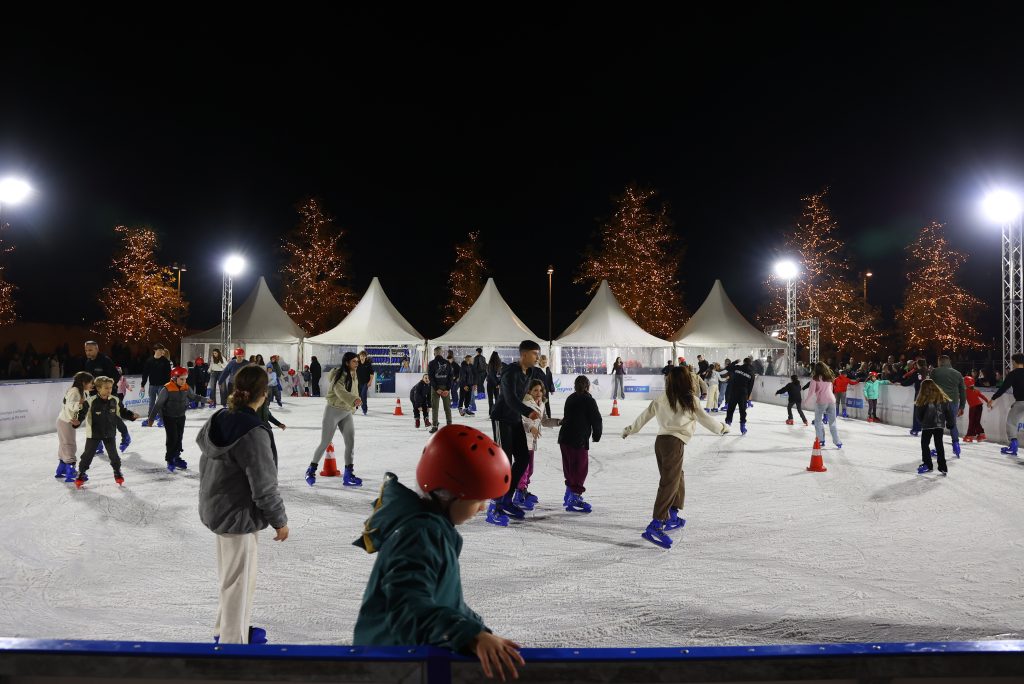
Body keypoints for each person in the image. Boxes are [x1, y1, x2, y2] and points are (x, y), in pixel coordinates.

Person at [352, 425, 524, 681]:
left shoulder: (430, 528)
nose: (481, 508)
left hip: (407, 657)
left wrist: (476, 631)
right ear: (450, 495)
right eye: (478, 500)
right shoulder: (420, 534)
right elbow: (408, 604)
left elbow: (443, 601)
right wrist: (469, 634)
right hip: (393, 664)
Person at [197, 364, 288, 645]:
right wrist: (279, 520)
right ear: (264, 394)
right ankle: (231, 643)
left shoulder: (220, 417)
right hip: (237, 514)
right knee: (238, 581)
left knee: (232, 576)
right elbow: (264, 484)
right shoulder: (252, 431)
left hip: (217, 507)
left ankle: (224, 629)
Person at [622, 366, 729, 549]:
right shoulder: (690, 400)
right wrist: (722, 427)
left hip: (661, 442)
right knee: (669, 482)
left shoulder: (662, 398)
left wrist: (630, 429)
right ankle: (656, 523)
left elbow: (644, 416)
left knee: (677, 477)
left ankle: (672, 514)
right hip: (673, 444)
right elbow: (706, 420)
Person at [489, 340, 545, 524]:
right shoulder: (510, 372)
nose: (538, 357)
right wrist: (528, 411)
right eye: (535, 353)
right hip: (502, 418)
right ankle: (494, 507)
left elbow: (522, 397)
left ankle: (507, 499)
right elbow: (510, 398)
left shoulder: (529, 372)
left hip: (514, 419)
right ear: (524, 354)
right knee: (504, 462)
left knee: (522, 458)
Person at [305, 352, 362, 487]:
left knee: (350, 443)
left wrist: (353, 405)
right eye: (354, 361)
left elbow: (354, 391)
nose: (357, 363)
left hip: (346, 412)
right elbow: (339, 390)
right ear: (347, 362)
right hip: (333, 411)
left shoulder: (354, 373)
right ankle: (311, 471)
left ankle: (348, 475)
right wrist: (354, 400)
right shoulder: (339, 374)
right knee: (325, 443)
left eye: (357, 361)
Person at [73, 376, 139, 488]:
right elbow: (81, 414)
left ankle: (117, 472)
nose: (109, 390)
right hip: (94, 434)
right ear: (98, 388)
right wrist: (77, 422)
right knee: (87, 456)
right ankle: (81, 473)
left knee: (114, 456)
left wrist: (131, 415)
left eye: (110, 388)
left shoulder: (115, 400)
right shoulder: (90, 401)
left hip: (109, 433)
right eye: (106, 388)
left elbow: (122, 412)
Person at [147, 366, 212, 472]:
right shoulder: (167, 388)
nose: (184, 381)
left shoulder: (186, 387)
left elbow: (194, 396)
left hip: (181, 416)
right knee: (172, 438)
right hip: (169, 417)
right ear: (174, 378)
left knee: (179, 438)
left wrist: (205, 399)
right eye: (181, 379)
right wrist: (151, 419)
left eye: (185, 378)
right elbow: (158, 404)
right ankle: (170, 459)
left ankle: (176, 457)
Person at [556, 375, 602, 516]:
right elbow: (596, 419)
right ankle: (574, 496)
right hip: (578, 440)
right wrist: (596, 435)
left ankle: (569, 493)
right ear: (588, 386)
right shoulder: (589, 400)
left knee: (569, 467)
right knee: (580, 469)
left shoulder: (570, 398)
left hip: (564, 438)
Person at [512, 379, 561, 511]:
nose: (539, 393)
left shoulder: (542, 403)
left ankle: (524, 490)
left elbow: (544, 421)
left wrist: (559, 422)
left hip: (532, 442)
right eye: (535, 390)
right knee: (524, 468)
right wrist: (531, 428)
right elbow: (520, 420)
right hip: (523, 440)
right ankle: (518, 494)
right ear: (529, 391)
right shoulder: (525, 403)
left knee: (530, 469)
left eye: (540, 390)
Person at [54, 371, 93, 483]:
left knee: (64, 445)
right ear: (83, 382)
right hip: (66, 421)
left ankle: (61, 468)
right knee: (69, 444)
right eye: (90, 382)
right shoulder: (74, 391)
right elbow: (70, 405)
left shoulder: (80, 391)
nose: (92, 385)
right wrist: (80, 404)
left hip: (64, 420)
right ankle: (71, 471)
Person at [915, 379, 956, 476]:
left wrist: (922, 422)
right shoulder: (942, 398)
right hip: (939, 425)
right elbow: (949, 412)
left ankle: (927, 464)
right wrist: (950, 423)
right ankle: (943, 466)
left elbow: (919, 414)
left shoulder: (923, 399)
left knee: (925, 444)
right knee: (939, 445)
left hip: (927, 426)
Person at [930, 355, 967, 458]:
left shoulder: (935, 372)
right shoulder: (958, 374)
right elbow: (963, 392)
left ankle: (938, 449)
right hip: (953, 402)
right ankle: (956, 446)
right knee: (953, 424)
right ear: (949, 361)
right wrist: (962, 406)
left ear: (940, 362)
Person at [992, 353, 1024, 455]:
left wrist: (993, 398)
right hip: (1018, 402)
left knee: (1011, 423)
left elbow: (1003, 388)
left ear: (1014, 362)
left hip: (1020, 402)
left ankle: (1013, 446)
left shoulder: (1013, 374)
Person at [809, 362, 842, 448]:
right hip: (831, 400)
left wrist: (805, 401)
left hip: (821, 401)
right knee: (833, 422)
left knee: (818, 421)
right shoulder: (829, 377)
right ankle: (837, 441)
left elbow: (811, 392)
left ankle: (820, 440)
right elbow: (831, 389)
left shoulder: (815, 378)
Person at [722, 357, 755, 434]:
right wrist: (747, 397)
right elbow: (751, 386)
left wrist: (736, 361)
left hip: (734, 391)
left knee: (731, 408)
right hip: (743, 393)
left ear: (743, 362)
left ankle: (728, 423)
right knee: (742, 410)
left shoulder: (738, 368)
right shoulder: (752, 373)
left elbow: (727, 367)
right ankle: (742, 427)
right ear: (750, 363)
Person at [141, 345, 172, 420]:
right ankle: (150, 418)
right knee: (151, 403)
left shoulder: (165, 362)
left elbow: (168, 375)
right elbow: (145, 373)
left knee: (160, 403)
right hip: (152, 386)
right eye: (160, 350)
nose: (162, 351)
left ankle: (162, 419)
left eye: (162, 350)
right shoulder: (149, 361)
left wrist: (167, 386)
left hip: (162, 386)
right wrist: (143, 385)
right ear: (155, 350)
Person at [428, 346, 454, 433]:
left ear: (434, 353)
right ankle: (449, 425)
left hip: (436, 388)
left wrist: (436, 388)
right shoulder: (447, 363)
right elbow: (451, 377)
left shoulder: (431, 363)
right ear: (442, 353)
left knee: (435, 408)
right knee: (447, 407)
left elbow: (431, 377)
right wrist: (447, 389)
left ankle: (435, 426)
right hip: (445, 387)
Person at [901, 359, 929, 436]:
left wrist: (901, 383)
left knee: (917, 412)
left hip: (920, 394)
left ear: (918, 365)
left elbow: (909, 381)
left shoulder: (917, 373)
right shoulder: (929, 372)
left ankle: (916, 429)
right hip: (929, 394)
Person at [963, 376, 993, 443]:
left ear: (966, 383)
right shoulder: (975, 390)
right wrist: (988, 402)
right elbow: (982, 396)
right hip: (979, 406)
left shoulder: (966, 391)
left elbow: (961, 398)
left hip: (974, 407)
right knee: (976, 421)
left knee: (972, 421)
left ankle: (970, 435)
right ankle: (981, 434)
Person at [356, 350, 374, 416]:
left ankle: (364, 409)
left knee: (363, 395)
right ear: (359, 356)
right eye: (361, 356)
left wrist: (370, 382)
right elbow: (353, 372)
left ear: (365, 357)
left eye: (363, 356)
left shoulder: (368, 364)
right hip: (358, 383)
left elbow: (372, 374)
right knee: (357, 395)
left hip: (365, 383)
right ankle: (356, 406)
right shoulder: (357, 363)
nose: (362, 357)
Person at [485, 352, 503, 420]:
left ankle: (491, 413)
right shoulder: (499, 364)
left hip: (490, 383)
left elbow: (491, 375)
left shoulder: (490, 364)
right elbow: (501, 375)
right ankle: (497, 413)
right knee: (497, 398)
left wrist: (496, 383)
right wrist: (498, 383)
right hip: (497, 384)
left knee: (490, 399)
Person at [538, 354, 556, 419]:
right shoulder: (536, 369)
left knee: (547, 404)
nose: (544, 364)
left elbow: (550, 379)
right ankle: (538, 418)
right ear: (539, 361)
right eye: (543, 362)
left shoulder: (547, 369)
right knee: (539, 404)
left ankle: (549, 418)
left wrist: (552, 389)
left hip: (546, 390)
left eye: (545, 362)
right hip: (538, 391)